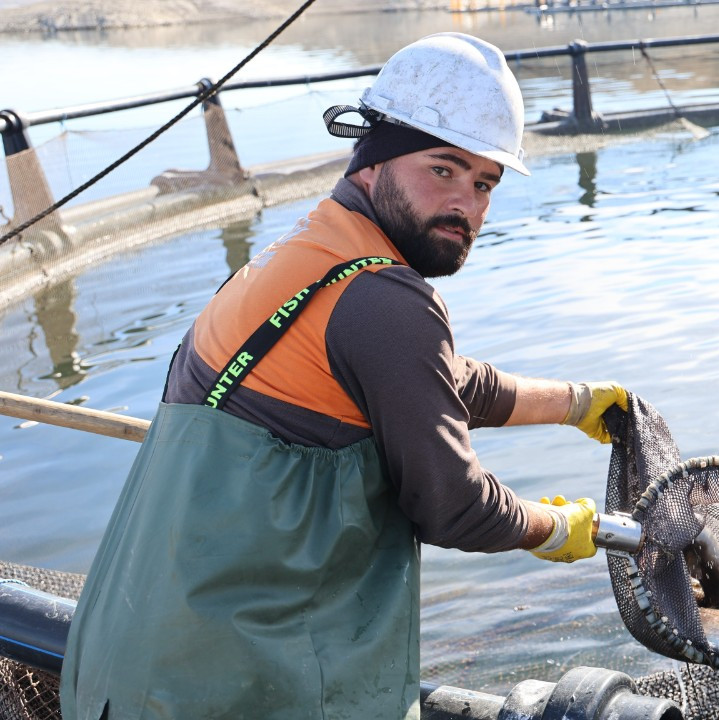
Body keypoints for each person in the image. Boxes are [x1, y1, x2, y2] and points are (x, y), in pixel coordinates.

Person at [60, 32, 624, 720]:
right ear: (374, 161)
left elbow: (438, 379)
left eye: (484, 183)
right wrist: (563, 528)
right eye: (442, 170)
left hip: (124, 666)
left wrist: (575, 403)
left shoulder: (297, 254)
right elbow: (454, 506)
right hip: (236, 694)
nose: (466, 205)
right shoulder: (387, 302)